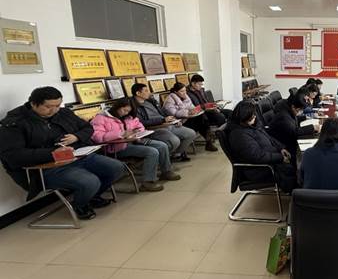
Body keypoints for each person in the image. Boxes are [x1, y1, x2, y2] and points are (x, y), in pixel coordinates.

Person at [0, 87, 125, 220]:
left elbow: (87, 127)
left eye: (57, 106)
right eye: (48, 107)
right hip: (46, 167)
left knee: (116, 167)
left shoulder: (63, 113)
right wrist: (52, 153)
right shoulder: (14, 123)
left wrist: (76, 136)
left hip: (77, 155)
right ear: (33, 104)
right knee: (90, 181)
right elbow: (13, 156)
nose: (54, 110)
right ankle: (80, 205)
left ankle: (92, 196)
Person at [91, 99, 181, 191]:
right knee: (152, 152)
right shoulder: (101, 118)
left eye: (128, 111)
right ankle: (148, 181)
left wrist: (137, 132)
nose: (126, 113)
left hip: (135, 141)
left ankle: (166, 171)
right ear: (117, 107)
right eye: (124, 110)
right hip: (117, 148)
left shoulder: (129, 116)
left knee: (162, 146)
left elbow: (140, 126)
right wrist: (120, 134)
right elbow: (97, 137)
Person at [226, 100, 298, 192]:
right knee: (293, 170)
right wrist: (280, 157)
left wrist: (281, 148)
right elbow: (257, 156)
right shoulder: (239, 135)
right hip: (260, 168)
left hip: (270, 160)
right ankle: (298, 193)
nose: (255, 117)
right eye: (252, 116)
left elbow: (269, 137)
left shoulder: (252, 125)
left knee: (297, 158)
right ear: (244, 117)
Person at [131, 83, 196, 161]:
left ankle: (176, 155)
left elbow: (162, 113)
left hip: (166, 124)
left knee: (191, 133)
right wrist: (162, 120)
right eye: (146, 91)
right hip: (154, 128)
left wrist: (174, 120)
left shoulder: (151, 101)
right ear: (138, 93)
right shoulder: (134, 106)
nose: (149, 92)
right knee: (175, 141)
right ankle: (164, 158)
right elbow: (142, 123)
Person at [164, 82, 218, 152]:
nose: (184, 93)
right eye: (182, 91)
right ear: (175, 92)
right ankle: (209, 141)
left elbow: (191, 107)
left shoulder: (185, 97)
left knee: (202, 118)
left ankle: (209, 141)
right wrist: (188, 112)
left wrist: (194, 111)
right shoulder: (169, 100)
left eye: (185, 90)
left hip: (187, 119)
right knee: (201, 122)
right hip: (179, 123)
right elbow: (173, 113)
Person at [268, 90, 320, 158]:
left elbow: (294, 119)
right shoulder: (283, 116)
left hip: (287, 140)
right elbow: (294, 132)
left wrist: (305, 117)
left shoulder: (288, 110)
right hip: (283, 146)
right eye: (300, 110)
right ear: (293, 107)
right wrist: (313, 127)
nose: (301, 112)